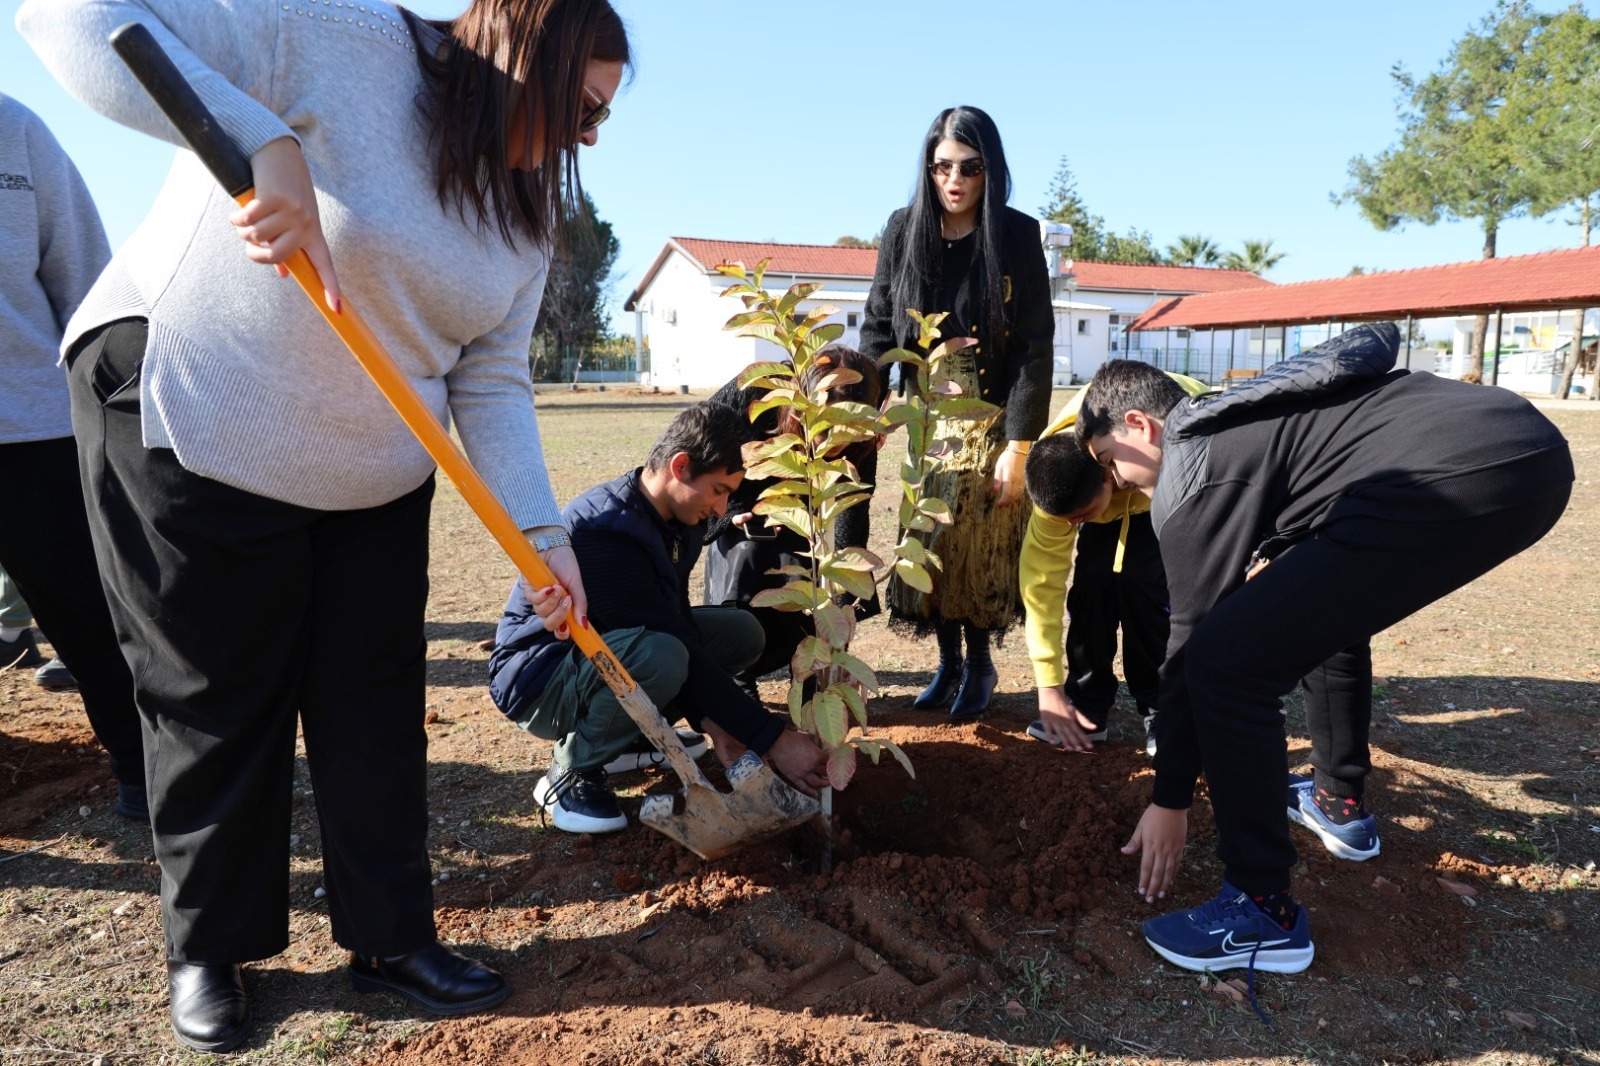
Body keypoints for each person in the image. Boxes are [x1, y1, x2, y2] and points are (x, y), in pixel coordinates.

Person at [20, 0, 624, 1052]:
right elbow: (70, 15)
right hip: (192, 413)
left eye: (601, 119)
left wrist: (543, 537)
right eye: (582, 108)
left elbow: (491, 379)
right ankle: (210, 949)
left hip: (373, 467)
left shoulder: (525, 215)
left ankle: (392, 939)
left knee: (373, 706)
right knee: (215, 695)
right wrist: (265, 141)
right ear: (522, 59)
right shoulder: (337, 40)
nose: (589, 139)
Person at [1076, 324, 1572, 977]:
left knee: (1225, 662)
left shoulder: (1188, 469)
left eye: (1109, 460)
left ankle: (1262, 911)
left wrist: (1170, 798)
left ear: (1140, 425)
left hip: (1452, 471)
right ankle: (1338, 803)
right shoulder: (1237, 414)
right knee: (1306, 607)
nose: (1116, 480)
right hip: (1527, 444)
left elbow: (1189, 647)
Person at [489, 402, 830, 834]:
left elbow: (677, 620)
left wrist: (716, 725)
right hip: (541, 680)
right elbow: (675, 643)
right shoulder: (606, 532)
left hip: (604, 654)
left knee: (740, 632)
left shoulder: (677, 519)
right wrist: (774, 739)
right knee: (663, 656)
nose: (722, 508)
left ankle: (628, 739)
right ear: (680, 466)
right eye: (719, 490)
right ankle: (572, 769)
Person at [859, 105, 1053, 721]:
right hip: (927, 417)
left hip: (991, 413)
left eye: (970, 167)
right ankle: (947, 661)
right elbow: (878, 324)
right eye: (942, 166)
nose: (955, 180)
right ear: (928, 167)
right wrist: (867, 408)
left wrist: (1019, 445)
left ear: (990, 169)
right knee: (928, 539)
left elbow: (1035, 344)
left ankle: (981, 663)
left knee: (977, 543)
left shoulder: (1017, 234)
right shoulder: (902, 229)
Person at [0, 92, 145, 815]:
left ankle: (145, 767)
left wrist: (111, 422)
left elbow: (89, 288)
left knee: (90, 611)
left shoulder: (15, 131)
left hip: (32, 426)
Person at [1019, 374, 1208, 755]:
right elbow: (1040, 587)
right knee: (1091, 588)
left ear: (1110, 473)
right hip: (1111, 494)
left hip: (1163, 479)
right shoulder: (1059, 479)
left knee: (1145, 589)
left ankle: (1163, 709)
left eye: (1080, 517)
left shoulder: (1157, 447)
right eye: (1068, 520)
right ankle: (1086, 706)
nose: (1071, 527)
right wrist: (1047, 685)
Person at [703, 346, 885, 697]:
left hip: (807, 518)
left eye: (848, 433)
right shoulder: (760, 389)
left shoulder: (861, 428)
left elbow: (852, 507)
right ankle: (740, 681)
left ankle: (807, 683)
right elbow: (697, 440)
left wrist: (844, 601)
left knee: (812, 582)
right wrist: (726, 509)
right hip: (746, 508)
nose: (834, 444)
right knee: (748, 561)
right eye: (826, 429)